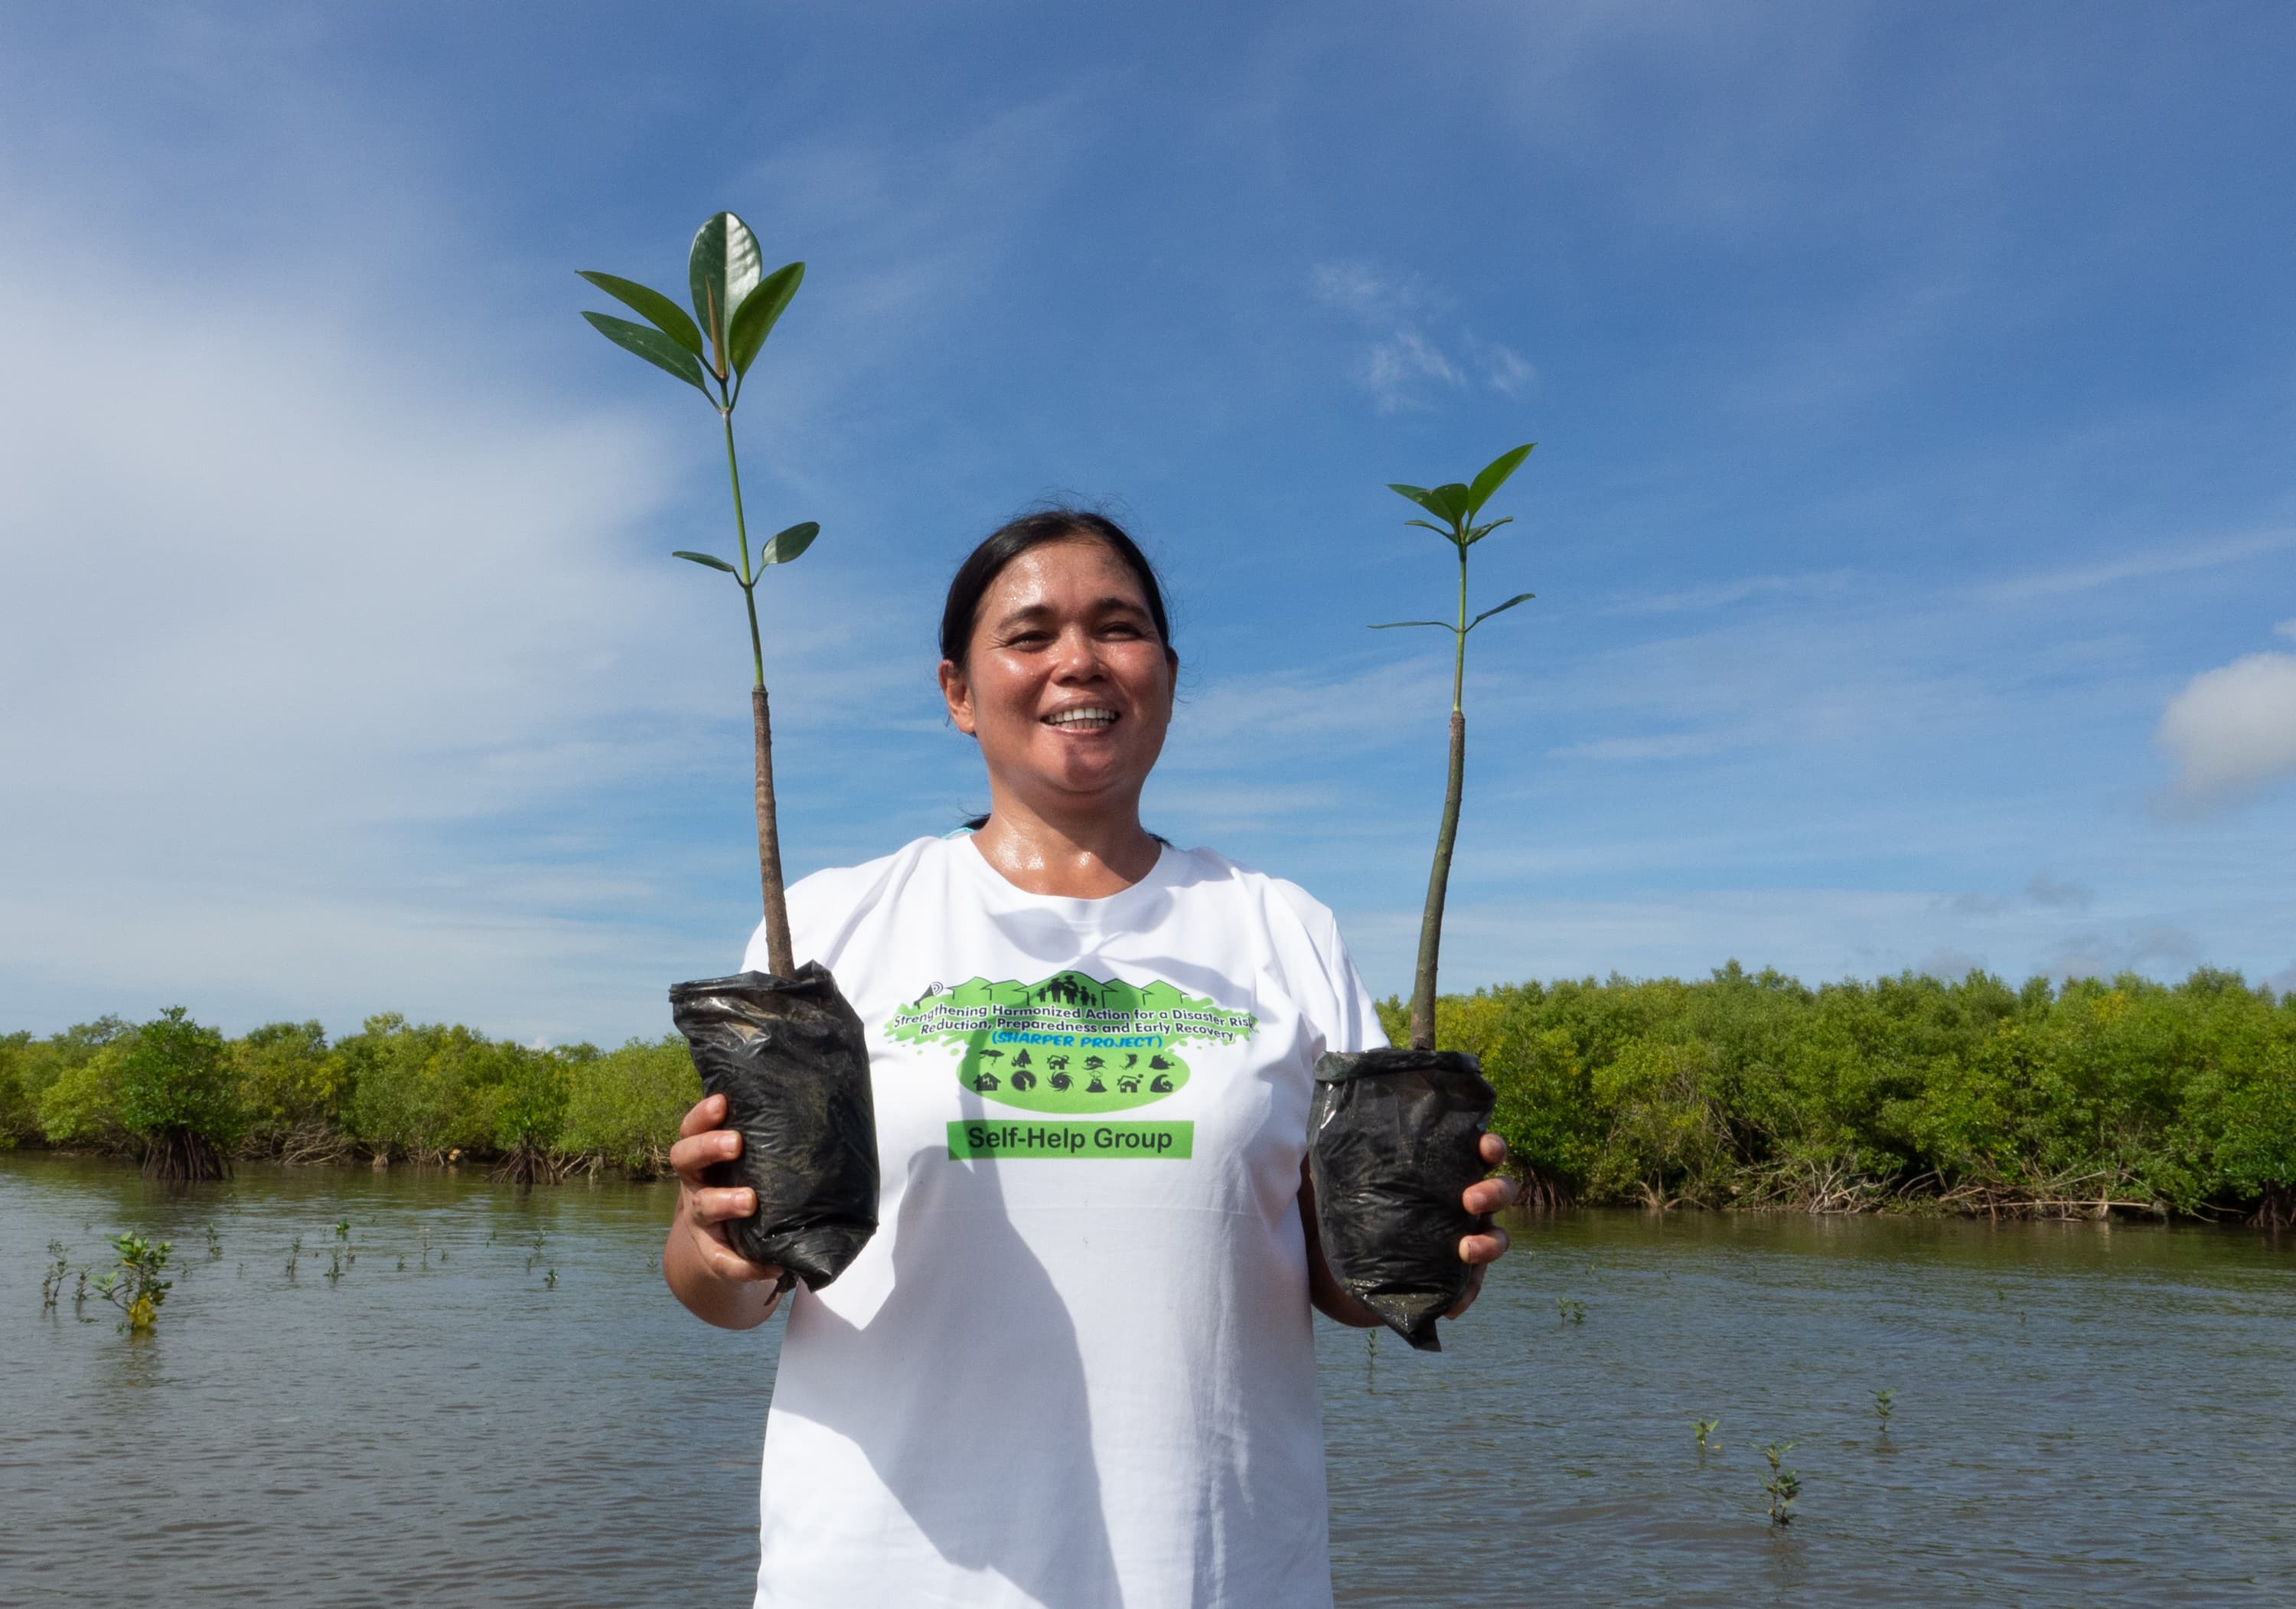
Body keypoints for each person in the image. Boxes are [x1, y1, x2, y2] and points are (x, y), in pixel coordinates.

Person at [664, 508, 1517, 1607]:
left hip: (1215, 1572)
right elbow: (729, 1296)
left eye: (1118, 627)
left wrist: (1447, 1258)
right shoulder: (832, 927)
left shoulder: (1281, 929)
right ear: (957, 691)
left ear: (1165, 672)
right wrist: (710, 1240)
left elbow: (1345, 1285)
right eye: (1029, 635)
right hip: (879, 1573)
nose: (1078, 658)